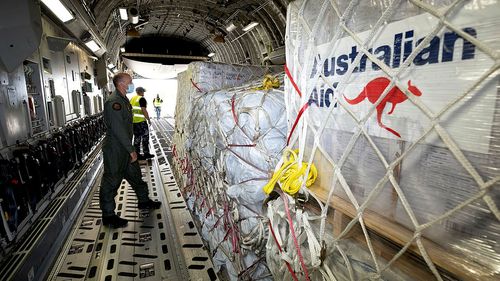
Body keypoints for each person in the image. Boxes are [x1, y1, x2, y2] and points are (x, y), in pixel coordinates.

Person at [100, 73, 161, 228]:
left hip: (125, 147)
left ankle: (144, 201)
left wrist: (130, 148)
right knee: (112, 181)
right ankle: (108, 216)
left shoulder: (123, 99)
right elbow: (118, 129)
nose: (132, 84)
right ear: (121, 84)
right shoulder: (114, 102)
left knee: (136, 176)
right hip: (116, 149)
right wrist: (131, 150)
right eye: (130, 82)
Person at [130, 86, 154, 159]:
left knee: (137, 138)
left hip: (134, 122)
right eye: (143, 91)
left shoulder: (132, 99)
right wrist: (148, 119)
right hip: (141, 122)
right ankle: (146, 153)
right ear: (140, 92)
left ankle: (137, 154)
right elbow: (144, 110)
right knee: (145, 137)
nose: (144, 93)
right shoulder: (141, 99)